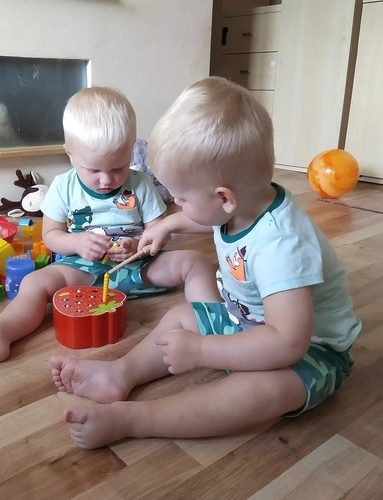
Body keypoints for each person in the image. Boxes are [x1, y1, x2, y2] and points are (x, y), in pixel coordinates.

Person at [50, 77, 362, 449]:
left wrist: (201, 352)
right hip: (246, 323)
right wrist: (167, 224)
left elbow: (288, 342)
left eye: (180, 198)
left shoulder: (282, 247)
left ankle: (137, 419)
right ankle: (121, 373)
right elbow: (206, 216)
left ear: (223, 197)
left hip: (310, 351)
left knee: (262, 391)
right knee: (183, 316)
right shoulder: (244, 204)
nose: (177, 204)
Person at [0, 86, 219, 368]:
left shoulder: (140, 183)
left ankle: (216, 328)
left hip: (138, 268)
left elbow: (158, 230)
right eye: (94, 170)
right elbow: (51, 236)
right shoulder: (63, 186)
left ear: (131, 150)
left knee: (195, 261)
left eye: (118, 167)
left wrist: (140, 243)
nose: (107, 180)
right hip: (82, 271)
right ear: (69, 153)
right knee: (35, 283)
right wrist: (78, 244)